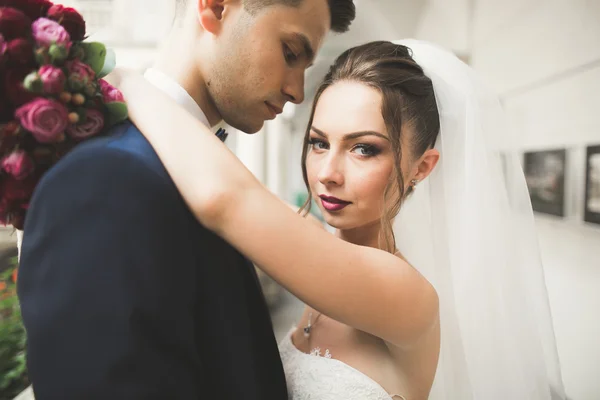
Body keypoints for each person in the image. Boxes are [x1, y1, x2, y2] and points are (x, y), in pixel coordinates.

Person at [111, 40, 567, 399]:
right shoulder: (322, 251)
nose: (327, 173)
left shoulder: (404, 292)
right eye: (318, 142)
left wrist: (125, 81)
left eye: (364, 148)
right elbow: (242, 199)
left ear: (422, 167)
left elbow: (226, 199)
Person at [16, 0, 356, 399]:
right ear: (215, 7)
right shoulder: (106, 180)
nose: (297, 91)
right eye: (290, 53)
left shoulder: (198, 175)